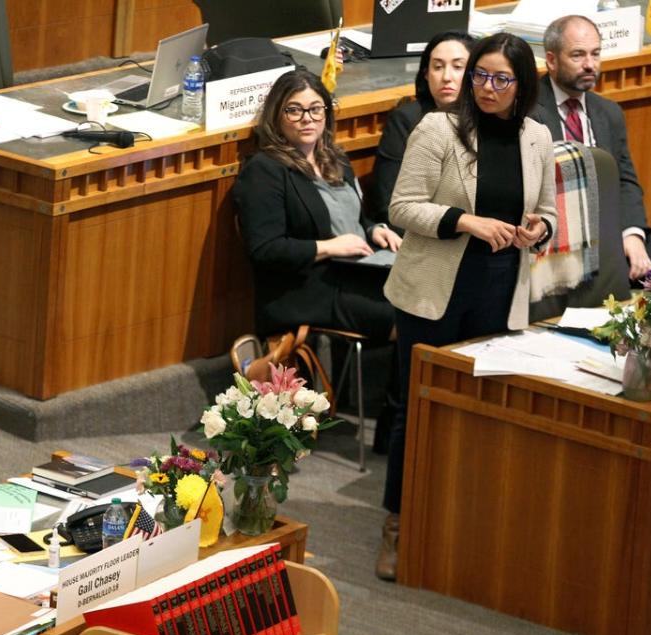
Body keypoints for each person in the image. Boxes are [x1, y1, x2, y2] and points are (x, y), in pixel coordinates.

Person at [377, 33, 558, 581]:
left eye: (502, 79)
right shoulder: (439, 128)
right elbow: (402, 206)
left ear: (523, 85)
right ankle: (398, 524)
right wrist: (464, 220)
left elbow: (547, 210)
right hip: (435, 288)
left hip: (501, 286)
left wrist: (539, 227)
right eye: (481, 75)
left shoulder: (538, 137)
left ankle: (459, 521)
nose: (486, 88)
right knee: (418, 407)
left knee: (478, 406)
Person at [232, 68, 401, 423]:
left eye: (316, 109)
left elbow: (354, 218)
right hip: (304, 287)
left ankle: (399, 414)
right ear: (277, 115)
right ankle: (396, 420)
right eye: (294, 110)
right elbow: (265, 250)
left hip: (354, 270)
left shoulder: (333, 158)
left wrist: (375, 230)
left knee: (433, 296)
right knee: (409, 316)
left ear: (327, 112)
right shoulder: (264, 170)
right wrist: (328, 247)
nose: (306, 118)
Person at [533, 14, 651, 280]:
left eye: (596, 54)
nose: (590, 65)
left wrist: (632, 234)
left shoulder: (608, 112)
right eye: (578, 55)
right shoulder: (528, 111)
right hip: (556, 238)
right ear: (552, 60)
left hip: (608, 231)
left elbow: (625, 180)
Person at [372, 31, 475, 226]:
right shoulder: (406, 121)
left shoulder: (487, 117)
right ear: (426, 74)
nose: (446, 77)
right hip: (423, 234)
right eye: (437, 67)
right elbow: (387, 203)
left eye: (458, 67)